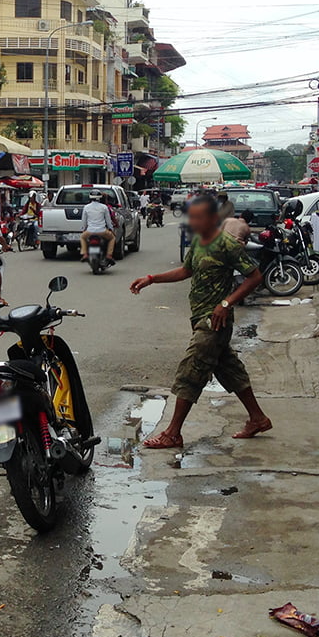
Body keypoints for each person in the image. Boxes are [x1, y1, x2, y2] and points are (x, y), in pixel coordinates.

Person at [129, 195, 272, 449]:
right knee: (229, 369)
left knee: (190, 371)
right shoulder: (198, 242)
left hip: (214, 323)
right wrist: (151, 278)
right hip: (200, 319)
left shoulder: (227, 244)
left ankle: (173, 433)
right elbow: (186, 271)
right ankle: (258, 418)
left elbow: (254, 277)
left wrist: (226, 304)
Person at [79, 191, 116, 265]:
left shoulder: (86, 207)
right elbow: (108, 221)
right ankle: (109, 255)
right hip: (102, 231)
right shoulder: (104, 207)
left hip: (90, 231)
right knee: (112, 238)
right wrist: (111, 229)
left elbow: (84, 221)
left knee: (82, 237)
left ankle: (85, 254)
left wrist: (83, 230)